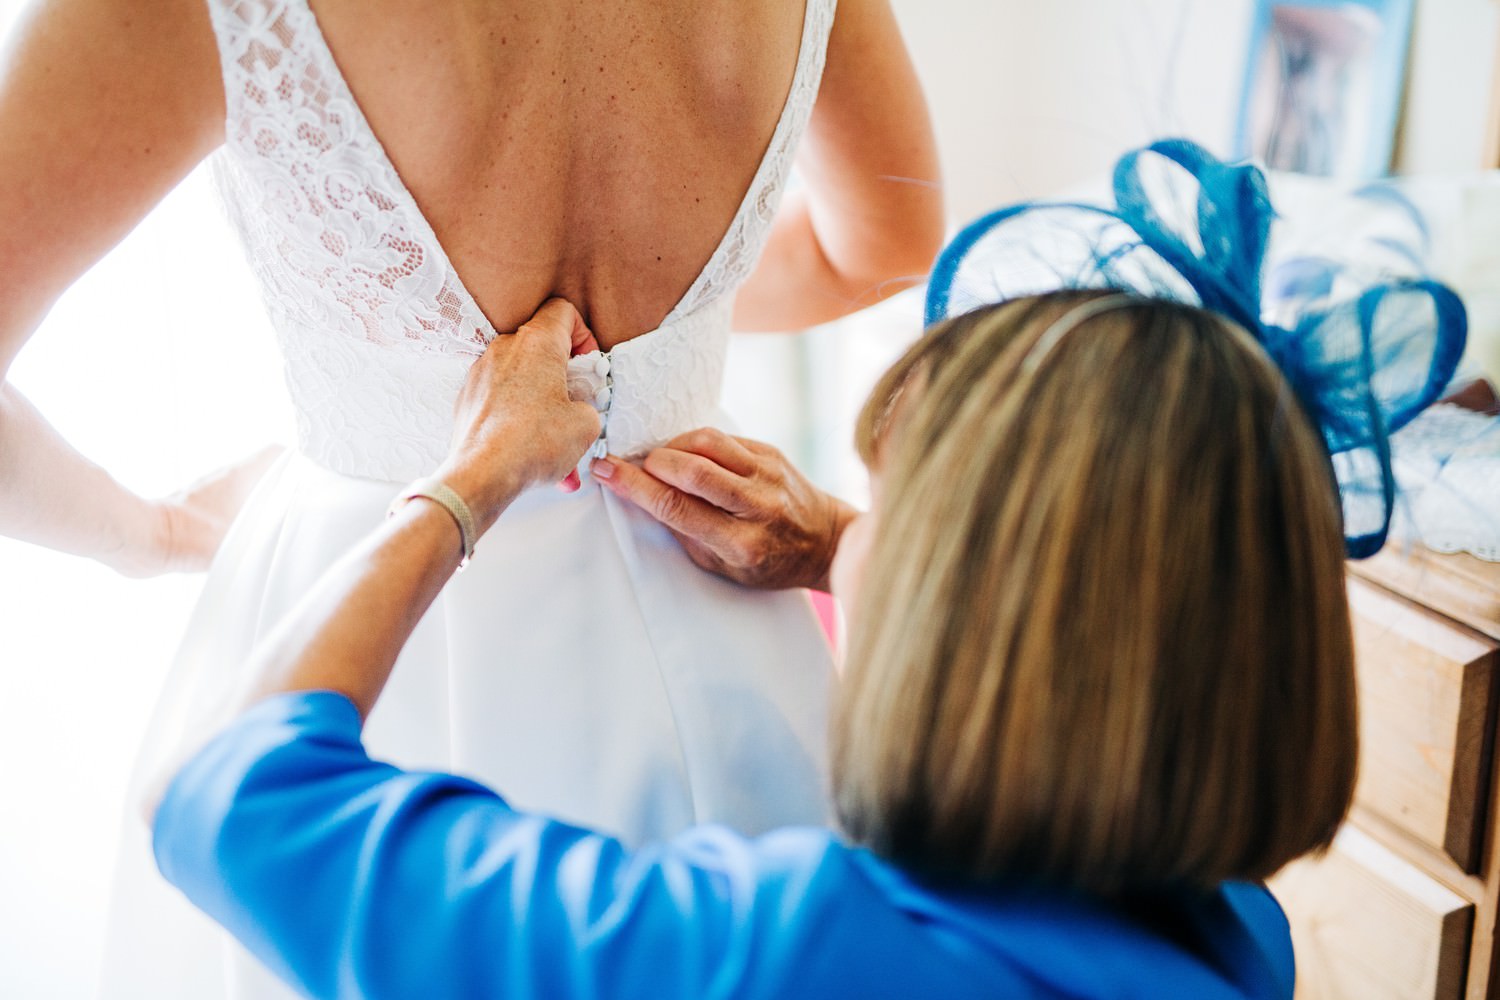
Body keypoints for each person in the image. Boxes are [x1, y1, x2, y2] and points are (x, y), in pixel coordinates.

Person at [0, 0, 941, 994]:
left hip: (365, 660)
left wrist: (148, 533)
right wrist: (658, 348)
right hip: (722, 609)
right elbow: (879, 245)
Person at [151, 287, 1360, 999]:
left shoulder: (785, 952)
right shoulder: (1238, 930)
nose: (858, 527)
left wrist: (470, 475)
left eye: (893, 508)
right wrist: (844, 545)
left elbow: (236, 800)